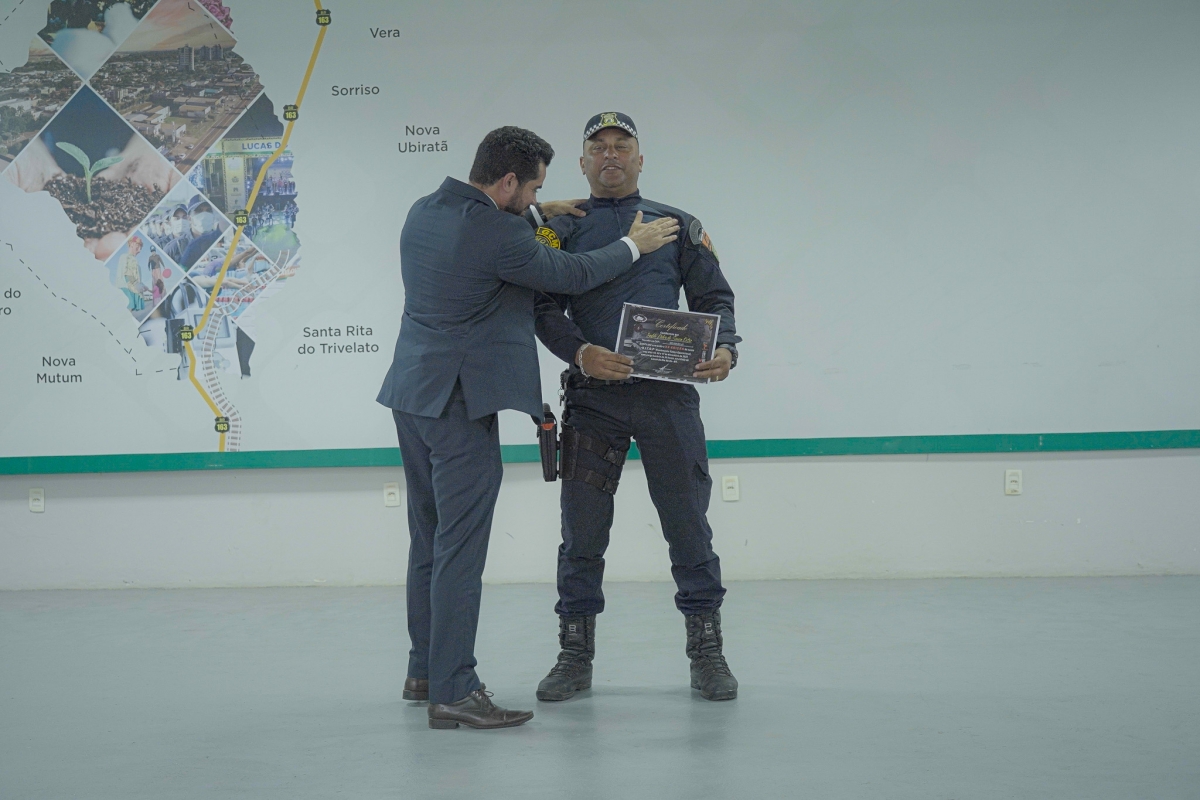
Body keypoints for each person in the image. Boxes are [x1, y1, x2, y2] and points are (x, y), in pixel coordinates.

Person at [375, 126, 679, 731]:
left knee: (428, 540)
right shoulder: (503, 234)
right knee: (460, 549)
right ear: (508, 182)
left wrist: (538, 212)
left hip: (412, 395)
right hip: (461, 404)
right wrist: (634, 244)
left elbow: (486, 240)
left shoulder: (425, 209)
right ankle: (455, 690)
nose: (540, 195)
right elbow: (572, 273)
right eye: (535, 187)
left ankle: (424, 671)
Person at [529, 113, 742, 702]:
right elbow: (540, 307)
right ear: (582, 162)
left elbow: (714, 297)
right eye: (598, 147)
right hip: (592, 402)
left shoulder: (678, 226)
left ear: (640, 159)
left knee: (688, 526)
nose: (611, 155)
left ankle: (707, 653)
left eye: (622, 146)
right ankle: (574, 656)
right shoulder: (559, 231)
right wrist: (580, 353)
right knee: (582, 532)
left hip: (667, 400)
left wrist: (725, 347)